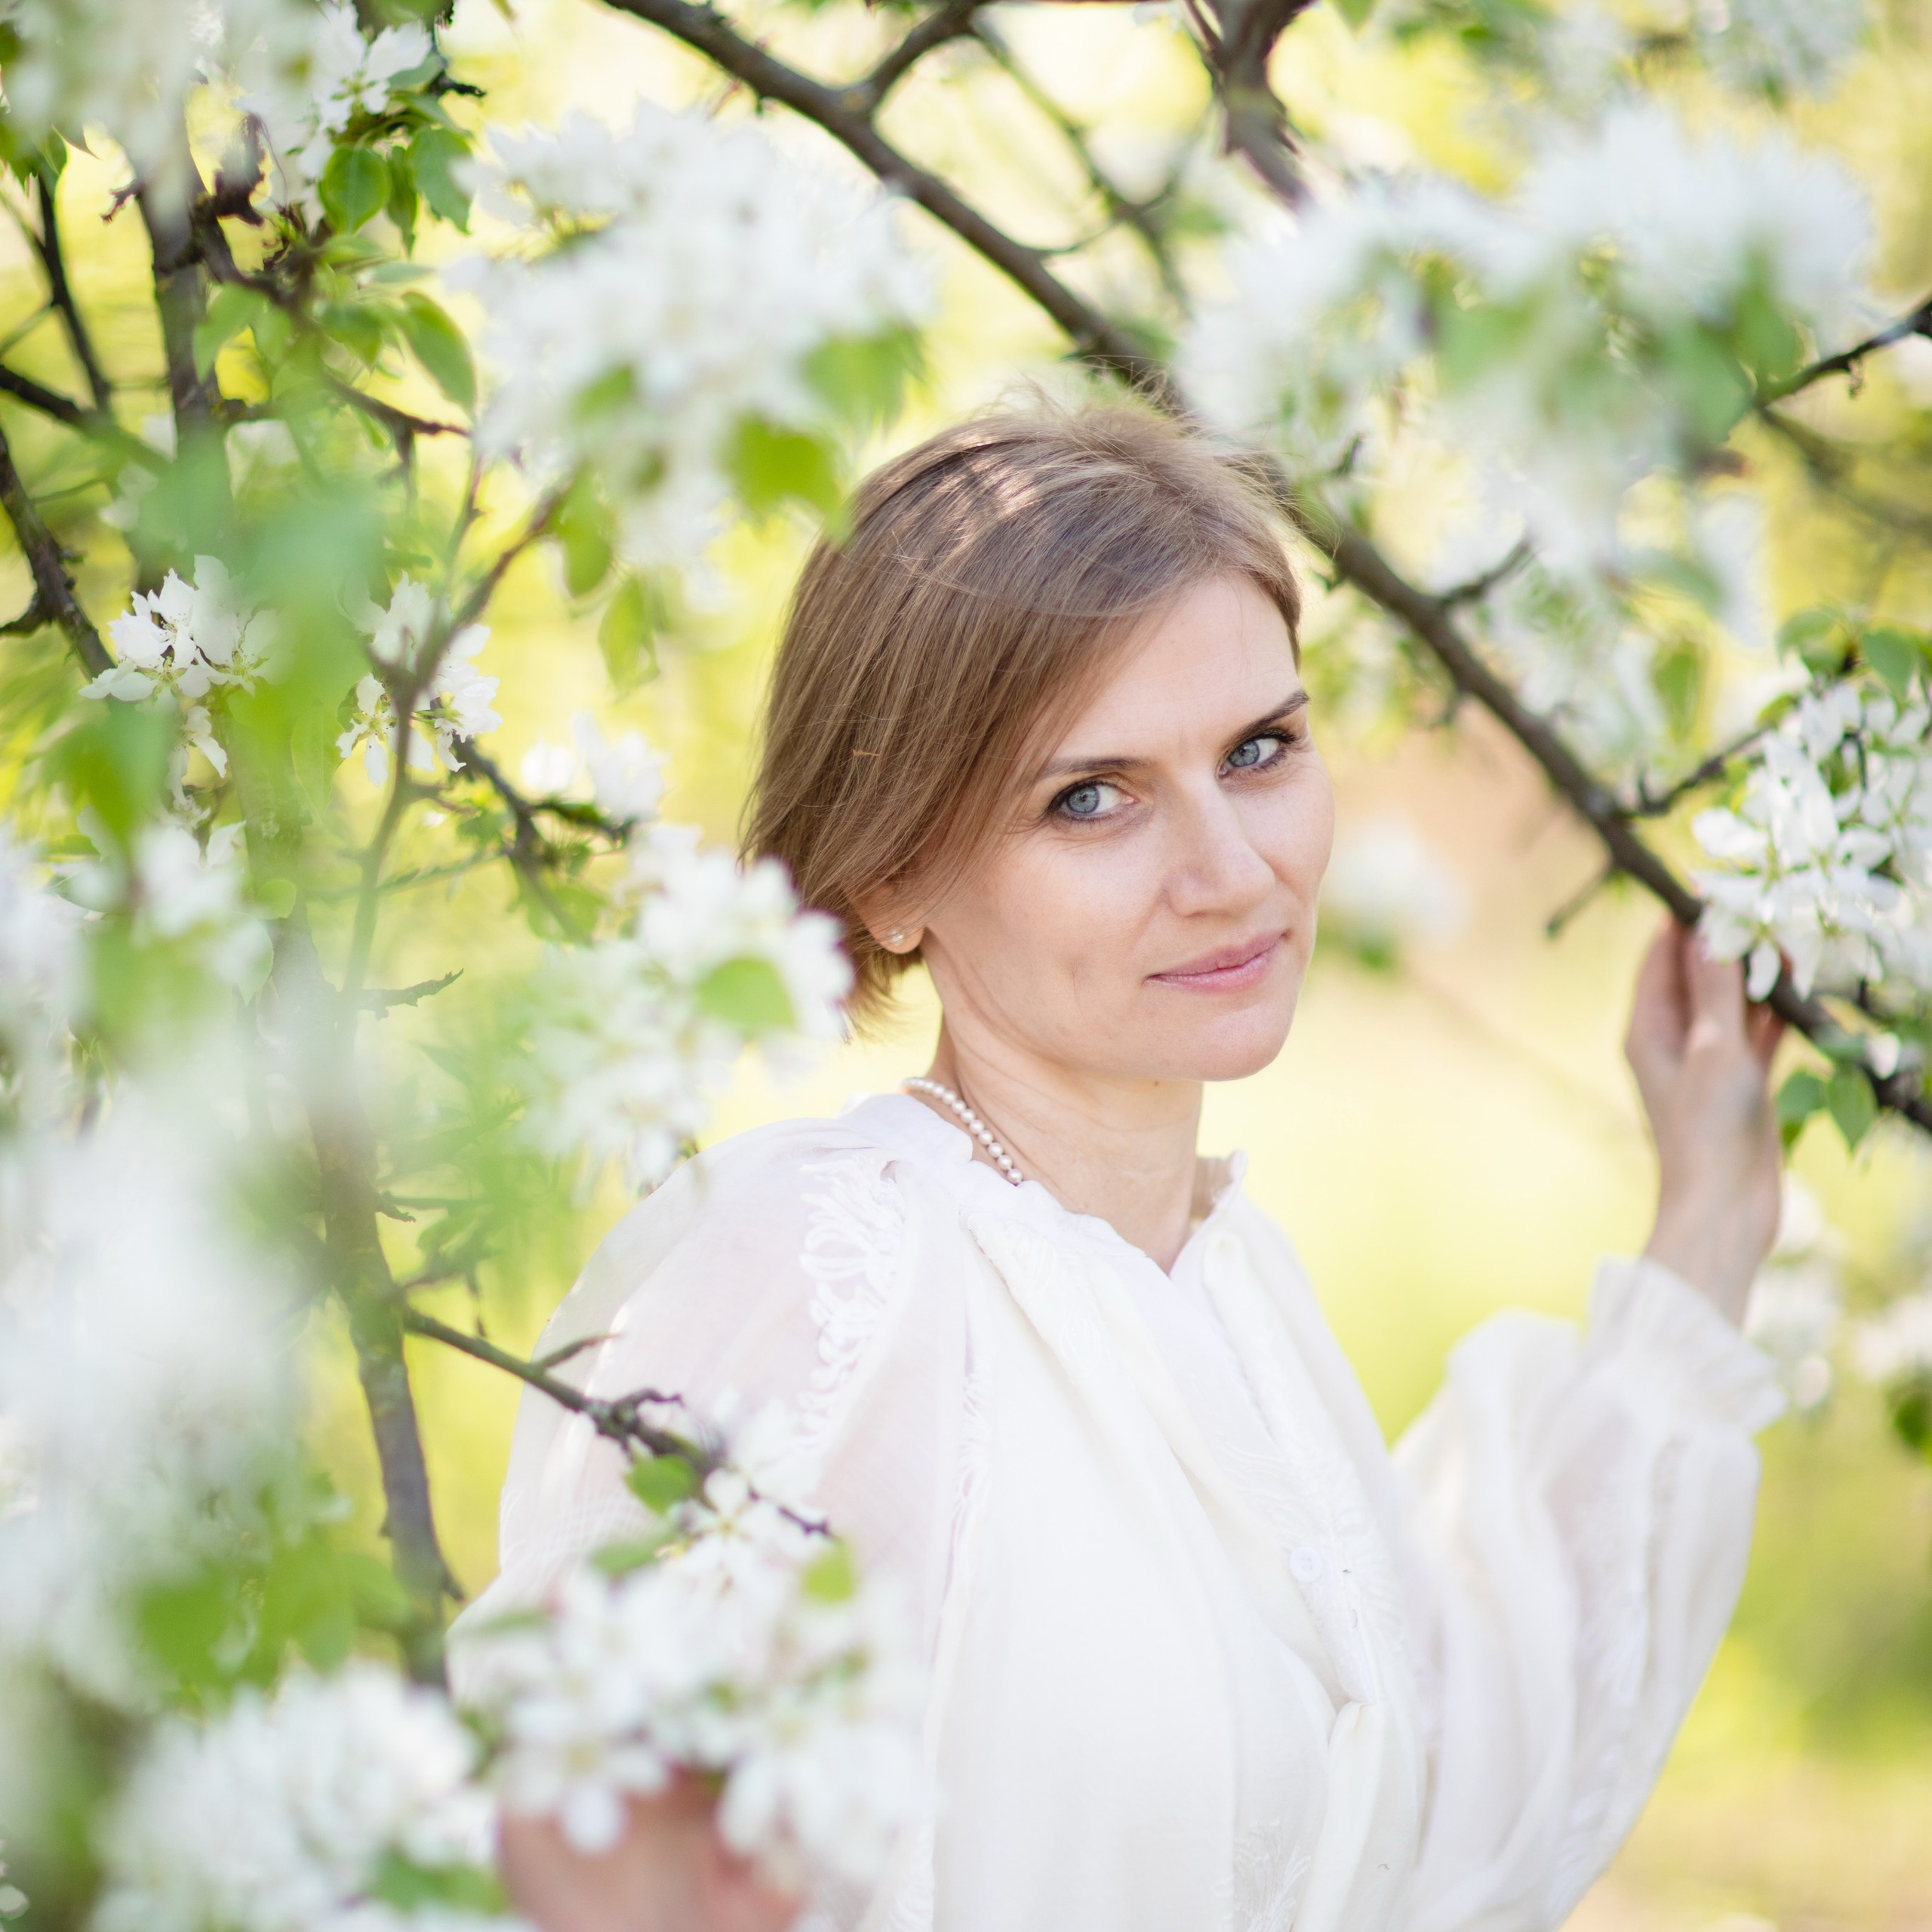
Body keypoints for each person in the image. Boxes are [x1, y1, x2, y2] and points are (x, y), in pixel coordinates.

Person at [472, 406, 1788, 1932]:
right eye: (1088, 796)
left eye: (1260, 748)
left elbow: (1441, 1788)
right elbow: (564, 1867)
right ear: (890, 872)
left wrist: (1709, 1218)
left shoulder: (1228, 1288)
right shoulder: (824, 1266)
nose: (1231, 868)